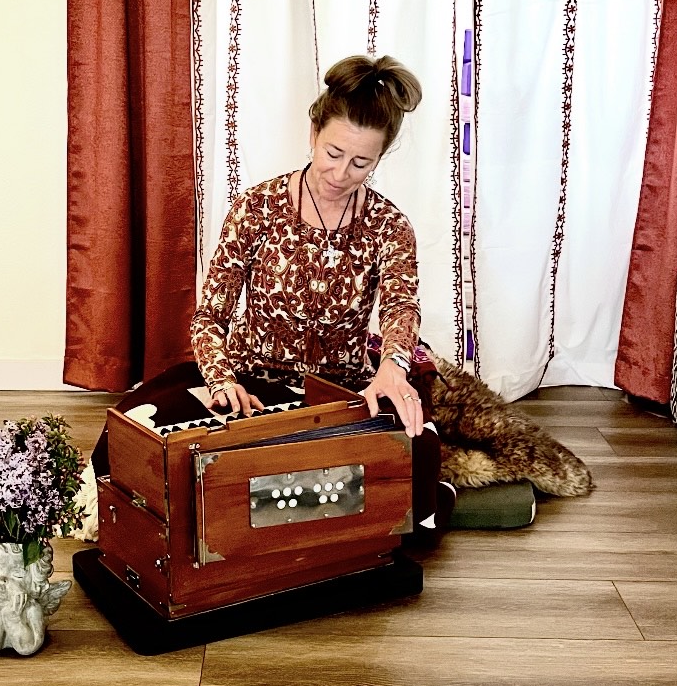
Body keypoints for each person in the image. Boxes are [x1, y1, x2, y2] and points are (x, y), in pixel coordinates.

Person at [83, 53, 451, 539]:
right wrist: (221, 381)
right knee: (141, 430)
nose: (341, 173)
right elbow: (209, 317)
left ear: (379, 159)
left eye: (361, 163)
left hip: (339, 393)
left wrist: (393, 366)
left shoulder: (390, 225)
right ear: (314, 132)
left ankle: (298, 524)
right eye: (333, 153)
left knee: (417, 448)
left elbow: (402, 305)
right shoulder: (256, 209)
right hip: (248, 385)